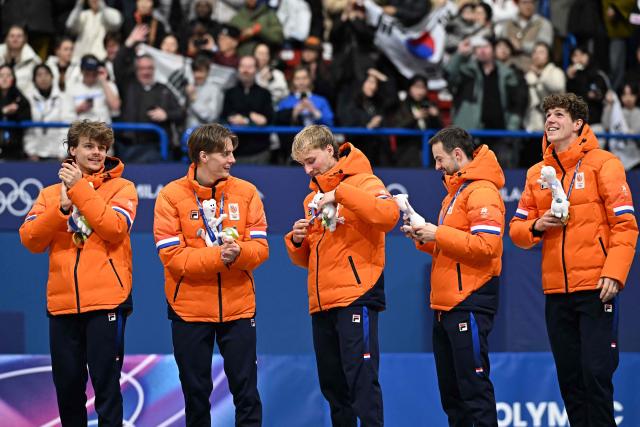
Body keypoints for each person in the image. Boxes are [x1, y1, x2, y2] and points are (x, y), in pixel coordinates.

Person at [509, 93, 638, 426]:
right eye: (547, 114)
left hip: (597, 287)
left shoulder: (604, 163)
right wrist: (538, 225)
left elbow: (625, 225)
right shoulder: (537, 173)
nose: (550, 120)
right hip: (557, 293)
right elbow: (517, 231)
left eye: (559, 114)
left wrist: (615, 273)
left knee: (596, 376)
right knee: (570, 381)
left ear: (578, 123)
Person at [19, 120, 138, 426]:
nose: (97, 153)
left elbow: (114, 229)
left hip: (107, 303)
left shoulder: (123, 188)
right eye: (89, 146)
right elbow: (30, 239)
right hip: (63, 305)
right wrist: (59, 210)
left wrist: (79, 190)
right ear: (72, 150)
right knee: (68, 389)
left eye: (101, 147)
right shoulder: (49, 195)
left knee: (107, 387)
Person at [284, 125, 399, 427]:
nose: (308, 170)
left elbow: (388, 217)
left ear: (330, 150)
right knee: (334, 388)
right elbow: (307, 258)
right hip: (322, 302)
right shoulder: (313, 197)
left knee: (362, 384)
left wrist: (340, 193)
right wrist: (297, 240)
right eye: (303, 165)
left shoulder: (365, 181)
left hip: (356, 295)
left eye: (311, 161)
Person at [154, 124, 268, 426]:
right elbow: (173, 258)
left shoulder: (246, 193)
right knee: (195, 396)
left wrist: (240, 253)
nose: (232, 160)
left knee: (247, 395)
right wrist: (221, 256)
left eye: (232, 153)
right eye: (225, 153)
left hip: (239, 309)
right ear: (203, 156)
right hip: (189, 311)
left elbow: (260, 248)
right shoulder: (170, 196)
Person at [405, 127, 504, 427]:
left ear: (458, 154)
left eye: (439, 159)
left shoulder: (482, 191)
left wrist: (438, 232)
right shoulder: (455, 194)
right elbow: (454, 246)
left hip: (469, 302)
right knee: (453, 398)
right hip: (446, 306)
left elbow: (486, 246)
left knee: (474, 392)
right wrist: (425, 238)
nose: (436, 166)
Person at [0, 64, 31, 159]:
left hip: (16, 148)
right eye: (1, 75)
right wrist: (3, 111)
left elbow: (27, 118)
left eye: (8, 75)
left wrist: (15, 113)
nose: (5, 79)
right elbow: (3, 112)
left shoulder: (20, 97)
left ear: (13, 78)